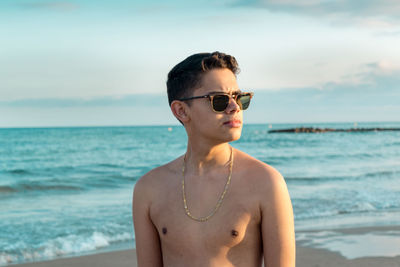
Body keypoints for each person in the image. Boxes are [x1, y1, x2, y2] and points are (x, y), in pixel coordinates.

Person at [132, 52, 295, 267]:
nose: (234, 107)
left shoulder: (266, 182)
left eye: (239, 98)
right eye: (219, 100)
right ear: (181, 111)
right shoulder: (149, 188)